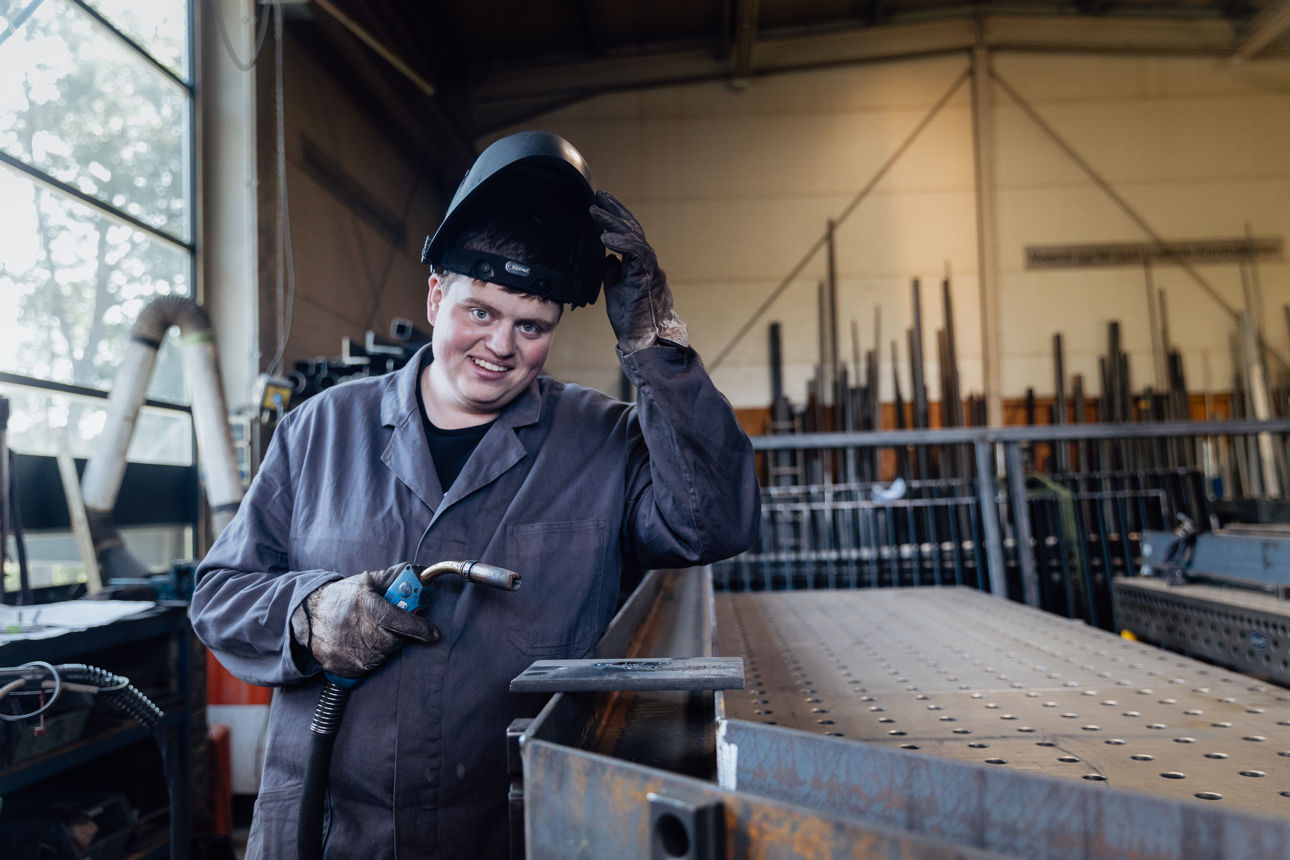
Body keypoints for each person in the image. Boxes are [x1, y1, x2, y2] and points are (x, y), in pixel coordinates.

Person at [189, 130, 760, 859]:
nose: (500, 346)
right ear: (436, 295)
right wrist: (308, 615)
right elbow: (220, 595)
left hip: (508, 832)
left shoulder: (603, 441)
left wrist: (655, 346)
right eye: (480, 312)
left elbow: (717, 521)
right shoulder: (321, 429)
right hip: (326, 834)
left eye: (532, 326)